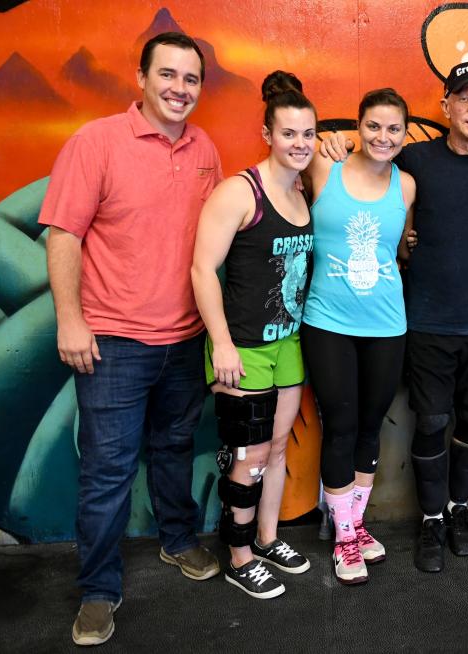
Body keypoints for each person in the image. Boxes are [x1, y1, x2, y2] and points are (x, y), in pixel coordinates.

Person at [322, 63, 468, 573]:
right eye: (463, 99)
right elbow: (363, 163)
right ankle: (429, 520)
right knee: (432, 420)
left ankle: (458, 511)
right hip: (425, 321)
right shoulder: (414, 157)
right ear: (445, 106)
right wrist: (336, 144)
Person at [39, 32, 221, 646]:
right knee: (107, 473)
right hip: (112, 341)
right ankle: (97, 590)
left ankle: (176, 541)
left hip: (184, 338)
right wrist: (71, 319)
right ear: (139, 77)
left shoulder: (205, 149)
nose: (179, 88)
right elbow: (63, 234)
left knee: (173, 450)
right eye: (167, 75)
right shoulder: (96, 142)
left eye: (191, 79)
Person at [191, 71, 316, 599]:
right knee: (248, 456)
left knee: (278, 449)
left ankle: (266, 539)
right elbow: (201, 269)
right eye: (288, 134)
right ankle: (239, 555)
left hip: (288, 344)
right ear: (267, 134)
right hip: (241, 347)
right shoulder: (240, 191)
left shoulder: (304, 191)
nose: (299, 144)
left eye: (307, 134)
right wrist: (220, 341)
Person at [301, 88, 416, 584]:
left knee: (371, 425)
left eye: (393, 128)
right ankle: (343, 538)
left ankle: (355, 525)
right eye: (373, 126)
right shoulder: (323, 169)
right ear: (357, 127)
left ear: (404, 134)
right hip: (328, 322)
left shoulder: (407, 186)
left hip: (388, 323)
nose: (383, 136)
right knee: (342, 425)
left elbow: (402, 247)